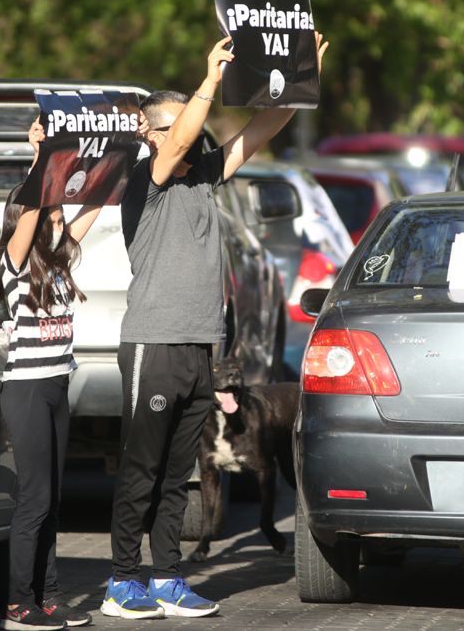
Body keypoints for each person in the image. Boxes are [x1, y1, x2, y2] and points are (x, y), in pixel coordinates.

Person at [101, 32, 329, 620]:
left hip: (200, 347)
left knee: (179, 475)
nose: (195, 130)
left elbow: (257, 131)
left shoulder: (205, 175)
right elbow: (179, 138)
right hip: (154, 342)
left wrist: (301, 82)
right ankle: (123, 580)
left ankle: (167, 578)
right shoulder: (143, 181)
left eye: (196, 119)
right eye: (180, 124)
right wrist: (209, 81)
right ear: (149, 134)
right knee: (142, 469)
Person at [0, 119, 106, 630]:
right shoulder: (14, 264)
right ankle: (18, 604)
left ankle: (50, 596)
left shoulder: (59, 265)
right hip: (27, 389)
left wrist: (116, 158)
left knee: (53, 501)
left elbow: (97, 202)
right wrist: (40, 157)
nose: (60, 217)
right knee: (34, 499)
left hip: (58, 385)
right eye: (52, 212)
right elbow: (36, 205)